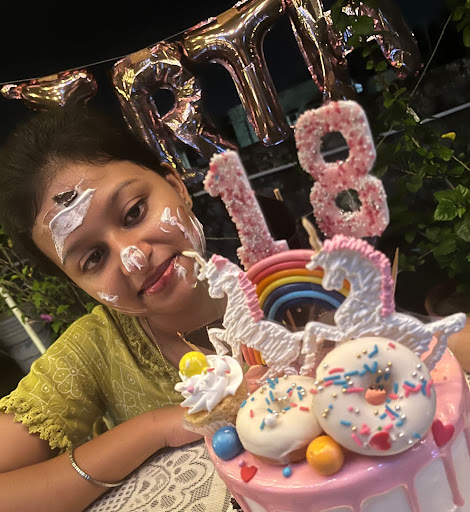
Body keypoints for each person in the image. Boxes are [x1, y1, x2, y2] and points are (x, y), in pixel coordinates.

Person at [0, 106, 229, 511]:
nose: (133, 259)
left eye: (134, 212)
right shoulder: (96, 349)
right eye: (93, 258)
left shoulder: (297, 276)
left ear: (176, 184)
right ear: (75, 283)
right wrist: (155, 428)